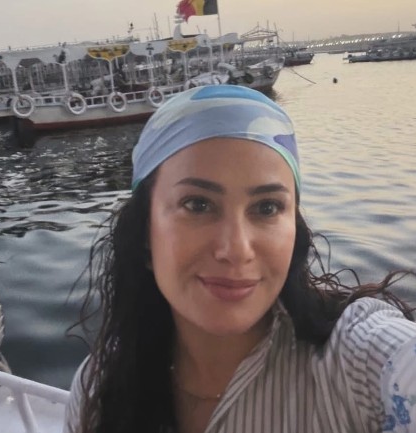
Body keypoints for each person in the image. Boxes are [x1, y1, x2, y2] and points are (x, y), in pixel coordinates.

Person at [64, 84, 416, 433]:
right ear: (145, 231)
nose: (236, 249)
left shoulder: (354, 362)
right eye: (198, 204)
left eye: (267, 208)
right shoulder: (100, 388)